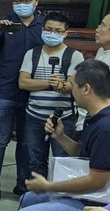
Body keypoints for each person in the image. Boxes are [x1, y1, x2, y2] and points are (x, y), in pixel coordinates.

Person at [15, 60, 110, 211]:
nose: (70, 91)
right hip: (91, 193)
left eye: (73, 86)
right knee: (27, 199)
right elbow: (85, 154)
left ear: (86, 89)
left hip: (102, 202)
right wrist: (61, 137)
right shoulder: (96, 114)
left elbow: (97, 182)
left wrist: (50, 186)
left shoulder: (108, 128)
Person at [0, 0, 45, 200]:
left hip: (33, 93)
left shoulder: (44, 25)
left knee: (26, 142)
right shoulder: (4, 23)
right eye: (17, 1)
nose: (21, 5)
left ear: (36, 2)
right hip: (5, 90)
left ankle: (21, 184)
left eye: (26, 1)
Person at [19, 12, 85, 178]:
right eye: (48, 29)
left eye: (58, 30)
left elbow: (72, 86)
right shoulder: (32, 54)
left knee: (62, 160)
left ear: (65, 33)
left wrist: (62, 86)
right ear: (42, 30)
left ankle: (59, 197)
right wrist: (50, 83)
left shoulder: (74, 56)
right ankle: (37, 195)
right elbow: (23, 83)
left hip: (64, 119)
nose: (52, 33)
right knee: (34, 160)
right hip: (34, 117)